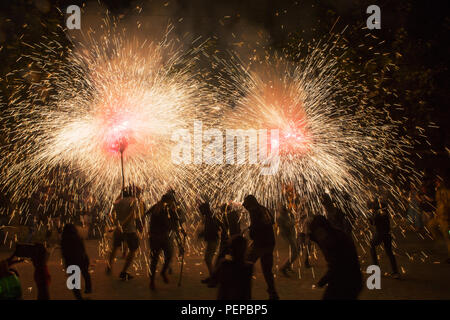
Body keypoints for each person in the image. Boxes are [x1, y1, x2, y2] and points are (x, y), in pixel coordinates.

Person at [307, 215, 362, 300]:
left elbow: (337, 266)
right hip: (342, 278)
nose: (318, 237)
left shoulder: (335, 241)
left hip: (349, 280)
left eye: (318, 233)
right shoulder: (327, 234)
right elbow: (314, 237)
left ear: (323, 229)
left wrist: (322, 282)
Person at [242, 195, 279, 300]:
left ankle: (245, 293)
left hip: (260, 244)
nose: (247, 208)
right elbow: (270, 221)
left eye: (247, 206)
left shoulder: (254, 211)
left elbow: (255, 230)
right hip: (270, 243)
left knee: (246, 264)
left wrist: (251, 231)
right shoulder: (263, 208)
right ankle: (273, 293)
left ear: (250, 204)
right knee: (267, 271)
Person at [147, 190, 185, 290]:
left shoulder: (158, 206)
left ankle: (154, 280)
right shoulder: (164, 208)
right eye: (172, 201)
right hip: (160, 237)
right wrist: (178, 229)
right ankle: (159, 275)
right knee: (165, 256)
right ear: (169, 201)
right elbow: (169, 223)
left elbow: (147, 213)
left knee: (157, 258)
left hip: (156, 237)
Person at [107, 185, 142, 280]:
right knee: (133, 249)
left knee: (114, 248)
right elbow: (132, 215)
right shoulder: (134, 201)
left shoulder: (117, 201)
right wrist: (123, 224)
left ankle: (109, 266)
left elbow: (111, 214)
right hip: (129, 230)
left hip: (118, 230)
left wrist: (116, 224)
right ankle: (124, 271)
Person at [213, 235, 253, 300]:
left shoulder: (225, 265)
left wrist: (222, 254)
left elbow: (213, 281)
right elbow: (248, 292)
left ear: (231, 249)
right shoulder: (248, 268)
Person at [368, 198, 400, 278]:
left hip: (380, 234)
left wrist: (370, 217)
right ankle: (395, 272)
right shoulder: (385, 212)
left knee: (371, 244)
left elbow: (373, 222)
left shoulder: (377, 213)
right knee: (389, 253)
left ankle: (375, 268)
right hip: (387, 234)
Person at [61, 224, 92, 300]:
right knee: (85, 273)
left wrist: (66, 265)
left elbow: (64, 254)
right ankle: (88, 288)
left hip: (72, 263)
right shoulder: (78, 238)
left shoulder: (64, 241)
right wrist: (86, 260)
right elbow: (83, 250)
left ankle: (79, 297)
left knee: (74, 282)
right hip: (81, 260)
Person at [427, 175, 450, 263]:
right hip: (440, 216)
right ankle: (441, 242)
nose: (435, 183)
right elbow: (439, 204)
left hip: (446, 218)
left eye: (437, 182)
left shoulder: (446, 192)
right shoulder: (439, 191)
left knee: (448, 237)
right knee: (431, 225)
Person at [198, 201, 221, 285]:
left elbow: (212, 229)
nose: (200, 212)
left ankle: (213, 278)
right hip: (212, 240)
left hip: (213, 240)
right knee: (208, 259)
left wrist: (202, 234)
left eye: (201, 210)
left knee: (208, 259)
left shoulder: (210, 217)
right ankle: (212, 277)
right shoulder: (210, 216)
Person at [278, 204, 299, 276]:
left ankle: (288, 266)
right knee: (295, 253)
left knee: (292, 252)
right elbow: (288, 224)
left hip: (290, 235)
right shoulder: (280, 217)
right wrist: (294, 220)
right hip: (287, 236)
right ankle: (284, 267)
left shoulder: (285, 215)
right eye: (285, 209)